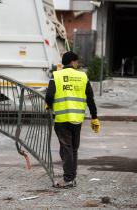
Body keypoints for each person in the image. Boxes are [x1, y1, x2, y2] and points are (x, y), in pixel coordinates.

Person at [45, 51, 100, 188]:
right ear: (73, 62)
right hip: (77, 119)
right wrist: (94, 117)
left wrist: (49, 106)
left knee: (66, 148)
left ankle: (68, 178)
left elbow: (49, 95)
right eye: (77, 62)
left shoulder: (56, 76)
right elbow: (90, 99)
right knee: (73, 149)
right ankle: (72, 177)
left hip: (62, 118)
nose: (78, 64)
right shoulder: (83, 76)